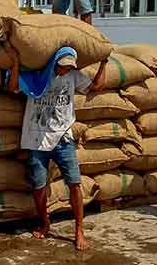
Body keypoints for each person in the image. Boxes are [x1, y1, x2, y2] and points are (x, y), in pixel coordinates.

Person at [6, 46, 107, 251]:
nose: (65, 70)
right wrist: (15, 64)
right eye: (62, 66)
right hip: (36, 140)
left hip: (63, 139)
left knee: (75, 183)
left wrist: (104, 63)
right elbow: (13, 87)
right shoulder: (37, 77)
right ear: (54, 63)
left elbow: (97, 86)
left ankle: (79, 229)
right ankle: (45, 223)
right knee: (38, 186)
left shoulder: (74, 77)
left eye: (69, 67)